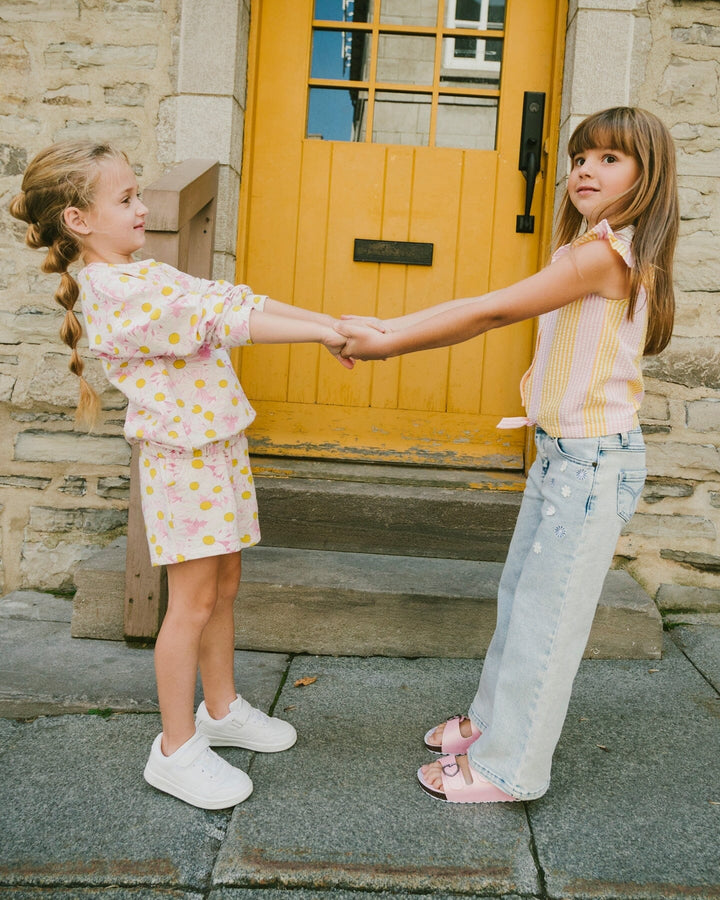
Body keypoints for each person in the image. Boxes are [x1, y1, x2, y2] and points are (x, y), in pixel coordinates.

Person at [337, 107, 678, 803]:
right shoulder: (591, 247)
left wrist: (386, 342)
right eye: (582, 155)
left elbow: (490, 311)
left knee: (545, 622)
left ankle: (509, 769)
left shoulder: (604, 255)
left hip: (590, 466)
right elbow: (485, 303)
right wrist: (384, 326)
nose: (586, 167)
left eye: (610, 159)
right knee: (521, 601)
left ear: (649, 177)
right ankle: (488, 726)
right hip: (564, 459)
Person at [10, 141, 352, 810]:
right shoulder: (113, 290)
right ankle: (175, 747)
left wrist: (331, 324)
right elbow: (220, 320)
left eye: (138, 194)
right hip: (182, 462)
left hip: (217, 447)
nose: (142, 208)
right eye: (127, 198)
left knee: (223, 586)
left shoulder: (142, 272)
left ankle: (220, 710)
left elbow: (227, 295)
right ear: (79, 219)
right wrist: (323, 335)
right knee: (191, 604)